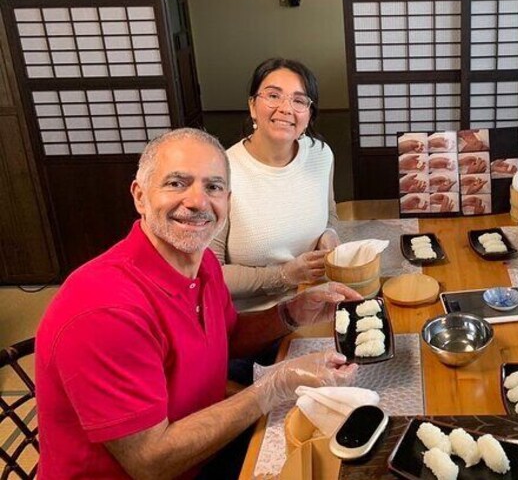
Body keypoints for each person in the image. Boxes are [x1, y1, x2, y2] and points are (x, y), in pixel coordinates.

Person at [35, 128, 360, 479]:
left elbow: (228, 337)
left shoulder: (200, 261)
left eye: (213, 187)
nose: (197, 202)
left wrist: (291, 314)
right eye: (176, 183)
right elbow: (150, 461)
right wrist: (273, 387)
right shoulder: (104, 309)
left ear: (228, 200)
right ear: (140, 196)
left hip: (205, 439)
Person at [211, 58, 340, 315]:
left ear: (309, 113)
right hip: (252, 321)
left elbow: (330, 215)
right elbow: (210, 275)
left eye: (299, 100)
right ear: (252, 106)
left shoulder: (321, 155)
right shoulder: (219, 171)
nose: (285, 108)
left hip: (315, 303)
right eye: (273, 96)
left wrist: (330, 235)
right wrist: (284, 275)